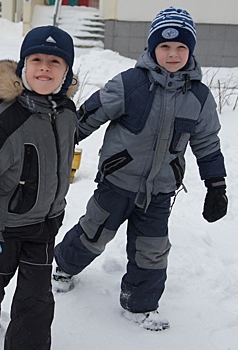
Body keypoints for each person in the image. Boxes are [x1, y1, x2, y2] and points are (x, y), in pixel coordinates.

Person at [52, 7, 228, 331]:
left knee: (152, 249)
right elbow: (89, 115)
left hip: (159, 191)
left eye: (180, 48)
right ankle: (62, 267)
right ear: (151, 48)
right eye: (164, 47)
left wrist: (216, 186)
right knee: (94, 232)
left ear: (190, 50)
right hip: (117, 183)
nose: (172, 54)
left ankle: (140, 304)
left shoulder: (199, 98)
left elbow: (207, 143)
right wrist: (57, 142)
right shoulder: (129, 84)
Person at [0, 26, 78, 350]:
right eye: (37, 59)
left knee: (36, 299)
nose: (45, 68)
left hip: (45, 224)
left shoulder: (66, 114)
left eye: (55, 62)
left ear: (67, 73)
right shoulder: (4, 121)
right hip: (1, 227)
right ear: (23, 67)